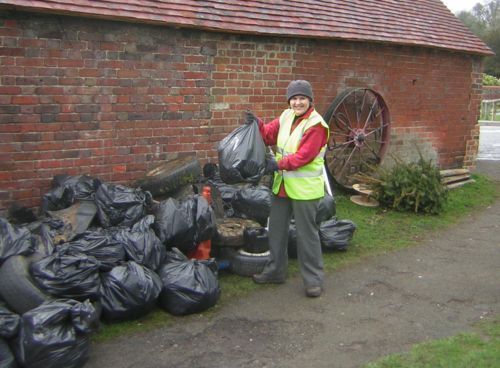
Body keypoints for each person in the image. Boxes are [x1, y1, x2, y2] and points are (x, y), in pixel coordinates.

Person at [247, 80, 329, 298]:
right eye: (294, 98)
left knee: (306, 236)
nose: (297, 102)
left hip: (305, 190)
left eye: (302, 98)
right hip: (282, 186)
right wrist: (256, 124)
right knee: (276, 230)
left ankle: (313, 280)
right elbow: (268, 135)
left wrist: (278, 164)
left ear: (310, 100)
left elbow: (305, 156)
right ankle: (275, 271)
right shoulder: (286, 116)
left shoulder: (316, 125)